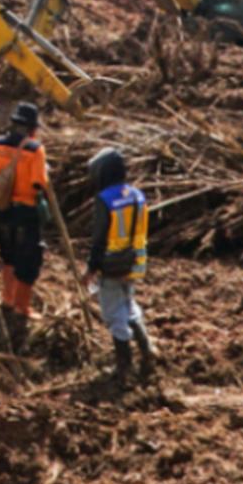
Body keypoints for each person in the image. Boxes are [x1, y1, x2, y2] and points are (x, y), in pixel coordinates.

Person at [85, 147, 154, 390]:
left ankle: (124, 367)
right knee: (129, 304)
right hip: (136, 262)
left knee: (114, 314)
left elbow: (99, 239)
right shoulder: (137, 194)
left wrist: (91, 268)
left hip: (112, 264)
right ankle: (146, 350)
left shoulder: (105, 199)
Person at [0, 103, 50, 329]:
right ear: (32, 128)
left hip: (3, 209)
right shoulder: (35, 149)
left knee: (9, 255)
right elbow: (38, 183)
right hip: (25, 211)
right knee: (28, 260)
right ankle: (22, 307)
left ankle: (8, 298)